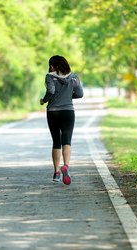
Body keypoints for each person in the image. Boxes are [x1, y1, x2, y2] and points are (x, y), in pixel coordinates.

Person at [40, 55, 84, 185]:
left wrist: (44, 100)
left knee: (56, 142)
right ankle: (66, 166)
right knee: (67, 141)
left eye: (50, 65)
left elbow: (51, 90)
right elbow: (80, 94)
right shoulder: (73, 77)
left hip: (53, 112)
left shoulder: (49, 76)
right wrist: (69, 96)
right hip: (68, 111)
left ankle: (57, 173)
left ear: (53, 66)